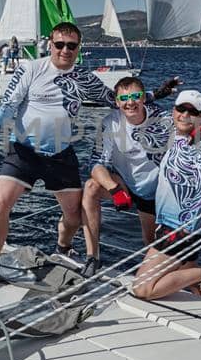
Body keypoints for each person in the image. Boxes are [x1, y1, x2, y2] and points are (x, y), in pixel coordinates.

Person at [0, 22, 175, 290]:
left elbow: (114, 99)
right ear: (50, 44)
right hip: (24, 152)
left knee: (73, 216)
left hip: (60, 154)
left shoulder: (83, 77)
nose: (65, 50)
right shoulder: (31, 68)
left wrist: (156, 94)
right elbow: (9, 102)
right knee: (1, 204)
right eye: (59, 44)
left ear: (78, 48)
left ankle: (64, 248)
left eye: (71, 46)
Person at [69, 75, 172, 277]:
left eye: (135, 96)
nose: (130, 102)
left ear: (144, 98)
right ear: (117, 102)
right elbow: (96, 163)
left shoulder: (163, 119)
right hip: (123, 184)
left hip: (152, 190)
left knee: (150, 242)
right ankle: (93, 257)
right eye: (124, 98)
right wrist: (114, 189)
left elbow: (188, 128)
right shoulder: (110, 123)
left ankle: (159, 273)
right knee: (91, 188)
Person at [131, 89, 201, 302]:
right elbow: (141, 106)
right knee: (191, 283)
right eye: (180, 108)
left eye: (192, 111)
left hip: (180, 226)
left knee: (143, 288)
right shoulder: (176, 133)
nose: (184, 114)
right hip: (169, 222)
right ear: (173, 110)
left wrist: (187, 226)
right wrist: (161, 91)